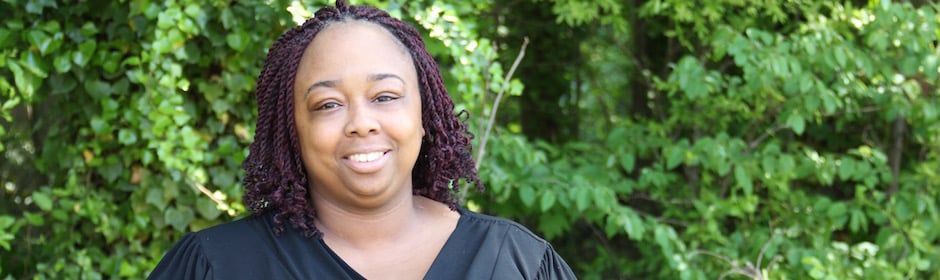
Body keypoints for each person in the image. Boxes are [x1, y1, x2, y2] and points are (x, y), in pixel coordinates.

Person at [148, 1, 576, 279]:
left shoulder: (516, 263)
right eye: (328, 104)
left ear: (424, 116)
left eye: (385, 97)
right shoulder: (217, 267)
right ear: (292, 130)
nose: (361, 123)